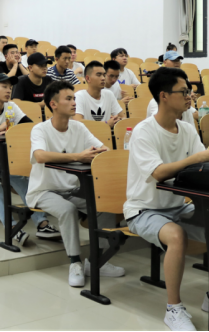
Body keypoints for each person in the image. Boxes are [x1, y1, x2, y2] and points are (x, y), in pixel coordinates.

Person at [124, 68, 209, 330]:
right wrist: (199, 157)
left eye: (189, 91)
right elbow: (159, 172)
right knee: (176, 235)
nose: (189, 96)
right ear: (163, 96)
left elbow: (200, 168)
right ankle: (173, 309)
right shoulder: (143, 131)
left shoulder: (186, 128)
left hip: (177, 207)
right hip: (144, 210)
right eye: (183, 91)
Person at [28, 80, 126, 286]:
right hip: (44, 191)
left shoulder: (78, 127)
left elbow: (104, 149)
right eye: (69, 99)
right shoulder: (40, 129)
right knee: (67, 210)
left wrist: (95, 154)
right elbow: (40, 155)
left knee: (104, 206)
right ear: (53, 104)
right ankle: (74, 262)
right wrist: (78, 157)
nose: (74, 103)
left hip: (73, 189)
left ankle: (96, 261)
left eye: (74, 98)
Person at [0, 74, 60, 246]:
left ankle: (42, 224)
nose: (9, 90)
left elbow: (30, 126)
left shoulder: (11, 107)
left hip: (6, 160)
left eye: (10, 87)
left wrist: (15, 130)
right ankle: (12, 228)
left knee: (27, 183)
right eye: (4, 86)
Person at [74, 61, 123, 126]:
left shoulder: (109, 94)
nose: (103, 78)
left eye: (104, 75)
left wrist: (117, 120)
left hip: (106, 132)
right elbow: (78, 122)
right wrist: (106, 123)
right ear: (88, 78)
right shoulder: (79, 96)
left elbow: (122, 117)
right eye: (99, 75)